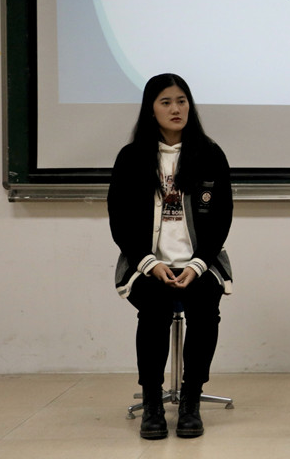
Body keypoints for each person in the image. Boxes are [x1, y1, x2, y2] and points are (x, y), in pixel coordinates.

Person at [108, 73, 233, 440]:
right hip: (146, 264)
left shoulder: (210, 154)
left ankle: (191, 400)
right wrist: (150, 262)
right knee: (154, 311)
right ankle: (153, 403)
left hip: (200, 263)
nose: (176, 109)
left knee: (205, 311)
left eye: (181, 101)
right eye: (166, 102)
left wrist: (197, 264)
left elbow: (222, 218)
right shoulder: (132, 157)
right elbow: (119, 220)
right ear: (151, 110)